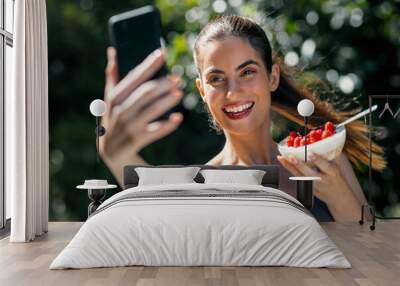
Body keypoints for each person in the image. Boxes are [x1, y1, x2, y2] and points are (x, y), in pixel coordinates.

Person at [100, 15, 386, 222]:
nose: (233, 91)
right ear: (201, 90)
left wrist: (336, 193)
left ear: (272, 77)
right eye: (216, 78)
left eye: (247, 72)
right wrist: (116, 156)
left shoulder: (324, 160)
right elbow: (158, 219)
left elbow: (372, 257)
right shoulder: (197, 185)